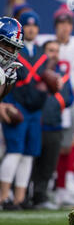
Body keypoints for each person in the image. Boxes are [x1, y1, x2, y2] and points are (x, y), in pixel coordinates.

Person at [0, 11, 60, 210]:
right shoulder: (21, 54)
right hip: (16, 104)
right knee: (15, 150)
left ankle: (20, 197)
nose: (32, 28)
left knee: (29, 153)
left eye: (35, 25)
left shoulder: (42, 55)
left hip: (36, 109)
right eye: (28, 25)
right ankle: (4, 196)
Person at [36, 4, 74, 204]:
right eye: (61, 22)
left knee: (66, 145)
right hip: (45, 104)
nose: (64, 27)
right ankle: (44, 186)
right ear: (55, 24)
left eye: (68, 22)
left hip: (66, 103)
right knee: (43, 146)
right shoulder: (43, 41)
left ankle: (61, 186)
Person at [31, 39, 74, 209]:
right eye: (50, 50)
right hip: (37, 124)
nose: (53, 54)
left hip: (55, 124)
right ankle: (23, 195)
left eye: (56, 51)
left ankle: (41, 196)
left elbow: (69, 98)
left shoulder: (63, 74)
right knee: (31, 163)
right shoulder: (35, 73)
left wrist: (57, 100)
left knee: (48, 165)